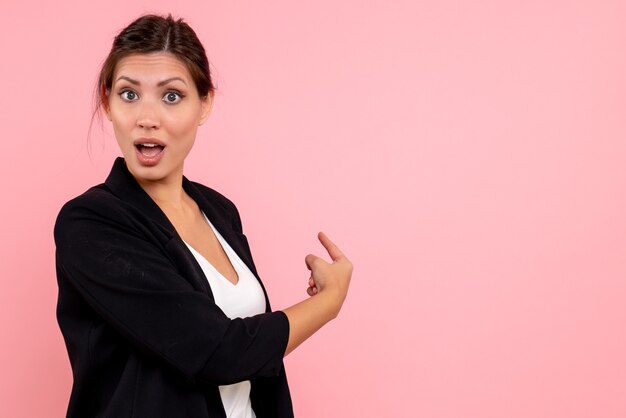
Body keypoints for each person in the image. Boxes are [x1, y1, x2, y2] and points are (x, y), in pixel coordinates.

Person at [54, 14, 352, 418]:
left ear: (204, 103)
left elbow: (256, 365)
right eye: (128, 94)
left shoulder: (220, 211)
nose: (147, 117)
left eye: (171, 96)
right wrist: (328, 303)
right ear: (107, 101)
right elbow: (218, 351)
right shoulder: (89, 224)